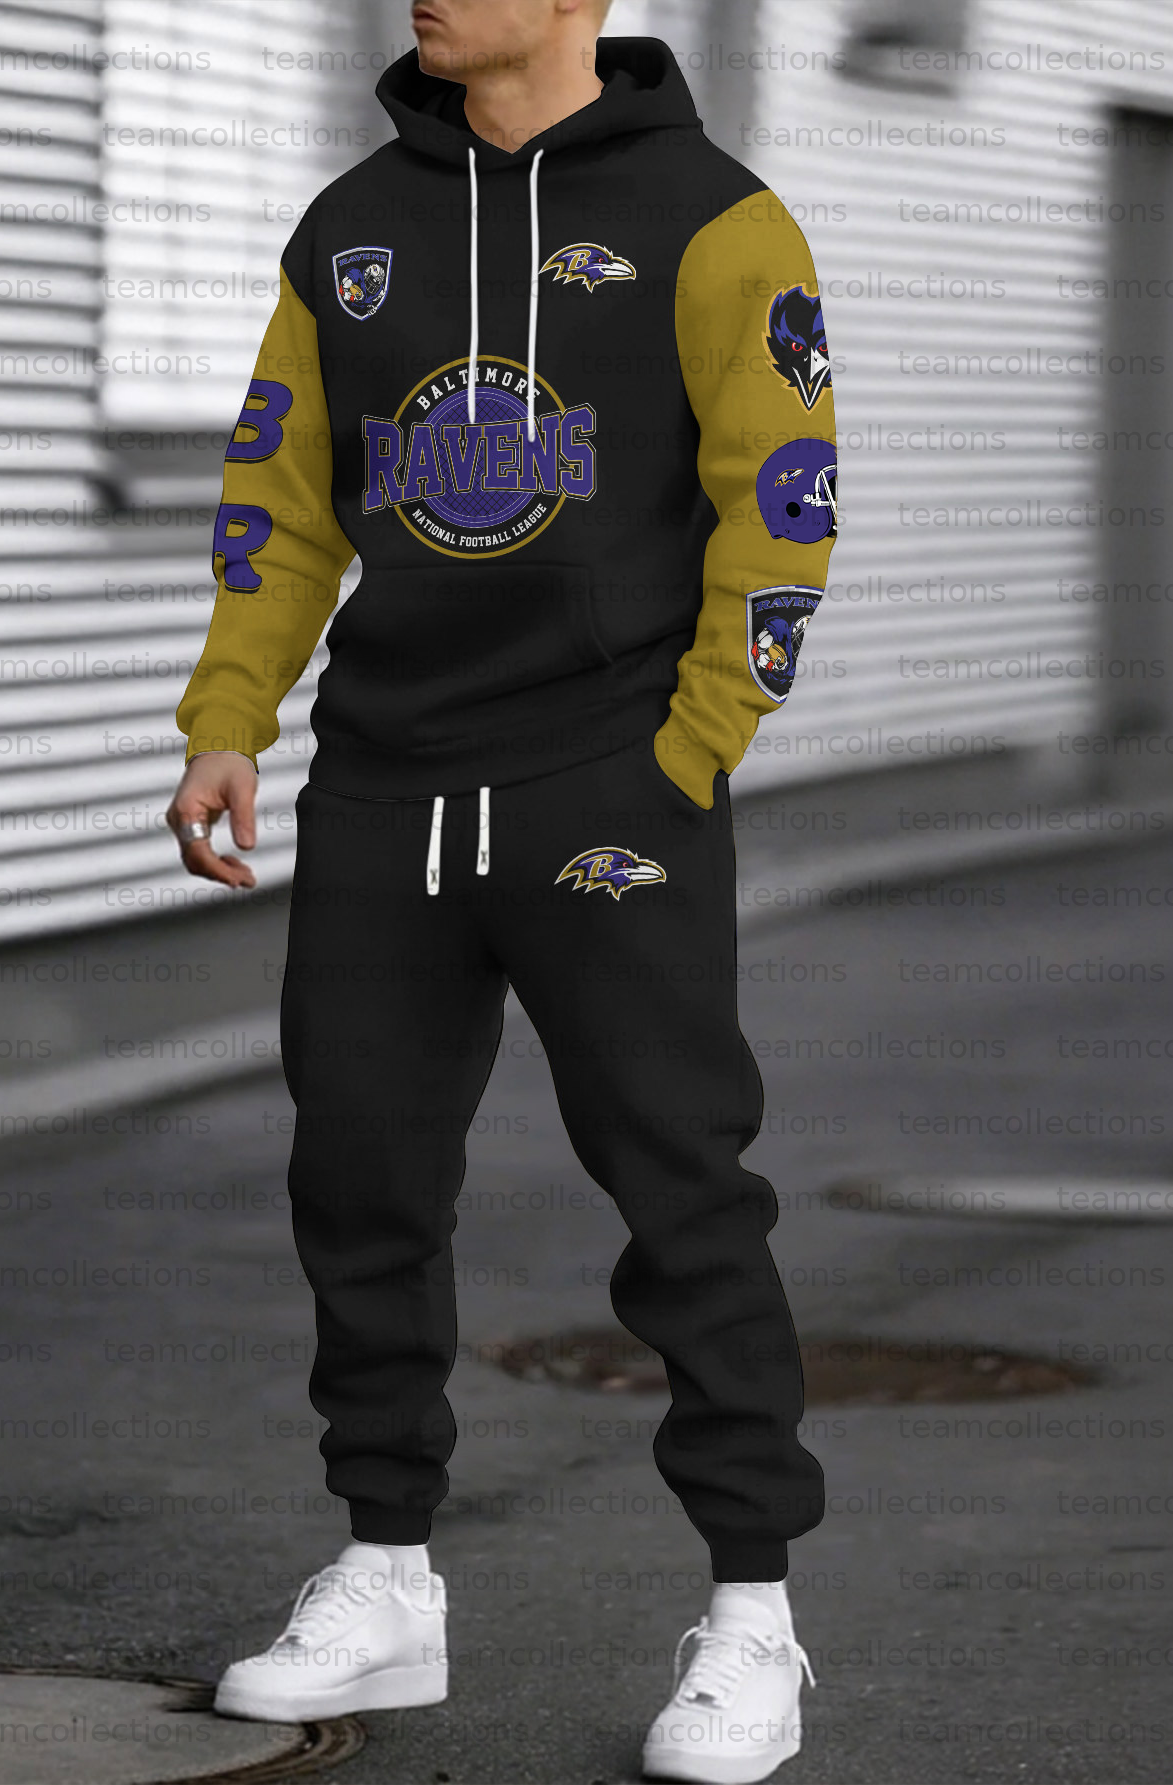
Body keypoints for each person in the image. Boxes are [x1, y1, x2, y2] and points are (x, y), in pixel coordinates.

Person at [168, 2, 837, 1778]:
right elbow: (279, 503)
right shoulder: (349, 229)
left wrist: (691, 749)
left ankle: (754, 1619)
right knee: (360, 1180)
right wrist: (228, 720)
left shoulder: (717, 219)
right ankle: (387, 1578)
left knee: (682, 1188)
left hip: (608, 784)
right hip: (384, 787)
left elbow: (781, 501)